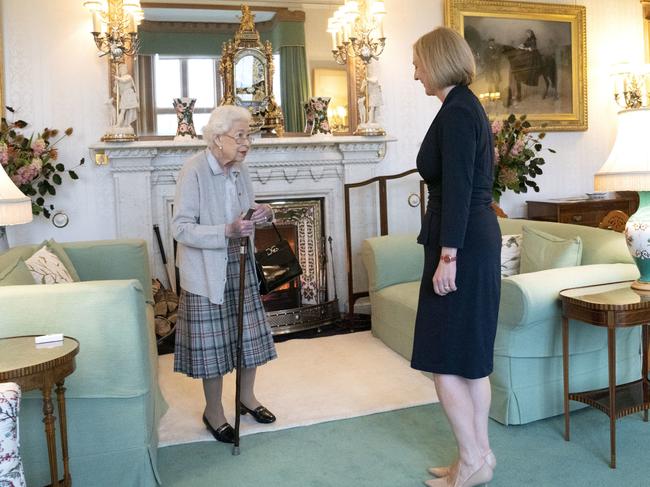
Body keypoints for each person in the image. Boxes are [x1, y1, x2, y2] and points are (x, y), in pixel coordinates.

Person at [411, 27, 501, 487]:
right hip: (467, 240)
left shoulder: (459, 110)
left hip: (461, 244)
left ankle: (471, 460)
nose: (415, 73)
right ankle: (477, 457)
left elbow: (462, 187)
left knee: (445, 359)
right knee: (466, 357)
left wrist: (449, 256)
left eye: (418, 63)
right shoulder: (462, 106)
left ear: (437, 61)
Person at [172, 105, 277, 444]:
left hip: (241, 261)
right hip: (206, 270)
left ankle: (246, 398)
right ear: (218, 139)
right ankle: (214, 411)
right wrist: (226, 231)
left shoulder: (239, 170)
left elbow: (246, 209)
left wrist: (263, 213)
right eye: (241, 136)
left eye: (250, 136)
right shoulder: (194, 170)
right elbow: (181, 229)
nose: (247, 143)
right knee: (214, 347)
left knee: (249, 337)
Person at [114, 63, 139, 128]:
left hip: (130, 94)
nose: (125, 70)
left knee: (131, 110)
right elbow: (115, 91)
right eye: (123, 69)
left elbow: (124, 80)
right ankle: (118, 124)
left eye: (125, 68)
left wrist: (117, 78)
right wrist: (115, 84)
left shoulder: (128, 76)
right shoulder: (119, 79)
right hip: (124, 95)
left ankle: (128, 124)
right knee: (122, 111)